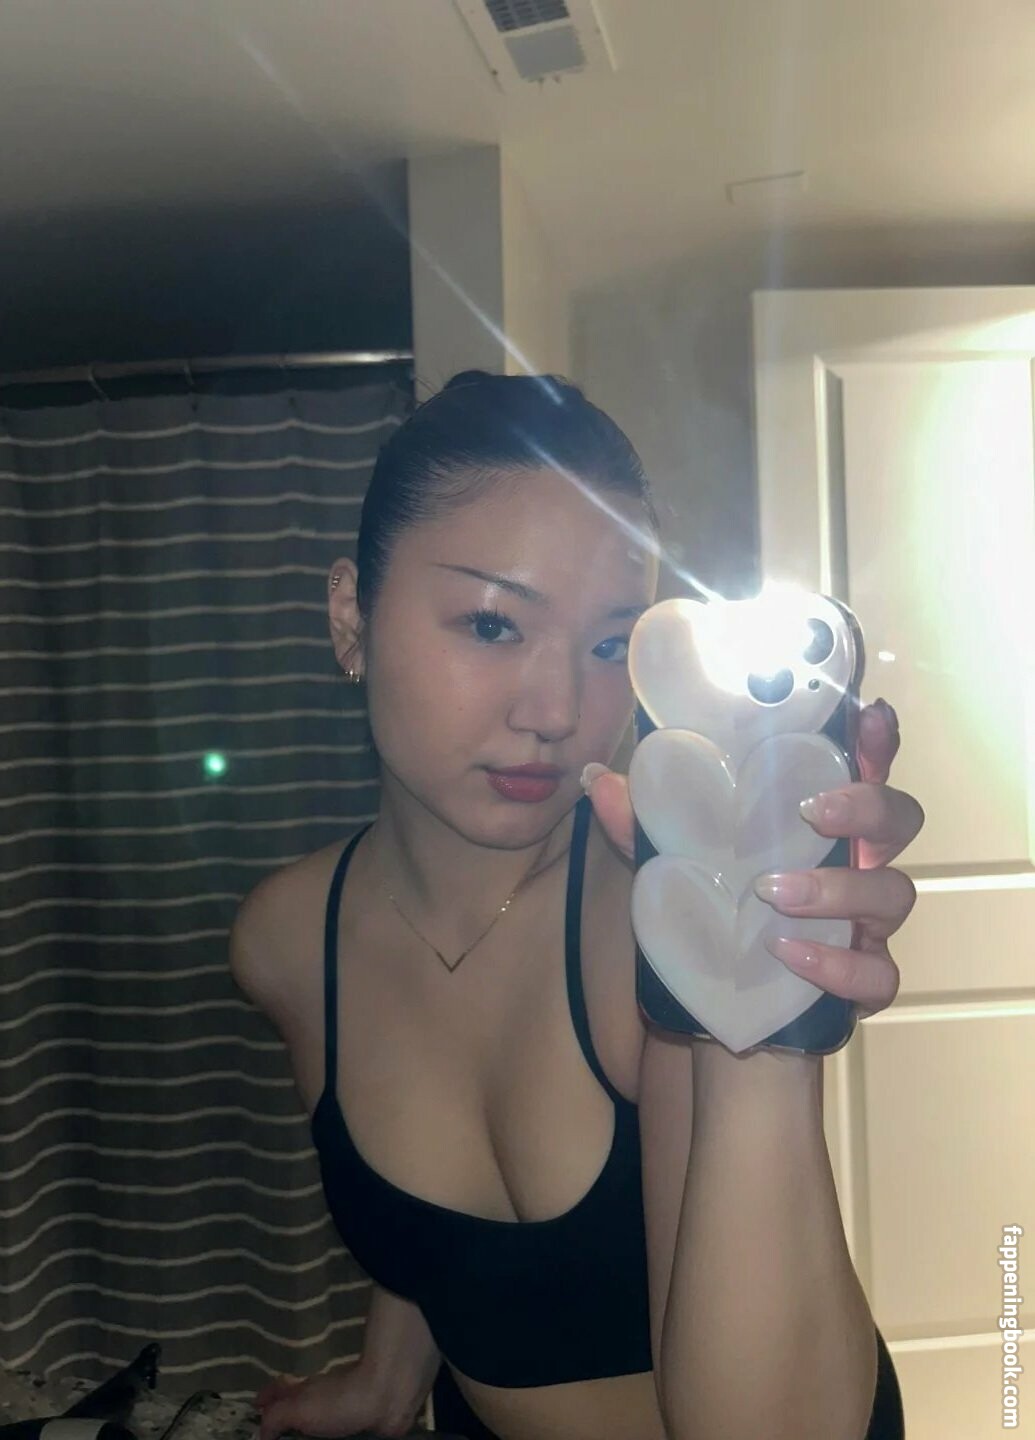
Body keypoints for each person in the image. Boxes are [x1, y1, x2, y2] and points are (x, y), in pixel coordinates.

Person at [230, 372, 921, 1440]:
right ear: (349, 615)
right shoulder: (284, 941)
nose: (558, 712)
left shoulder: (662, 913)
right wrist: (385, 1378)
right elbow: (445, 1235)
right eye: (491, 624)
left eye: (609, 645)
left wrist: (762, 1004)